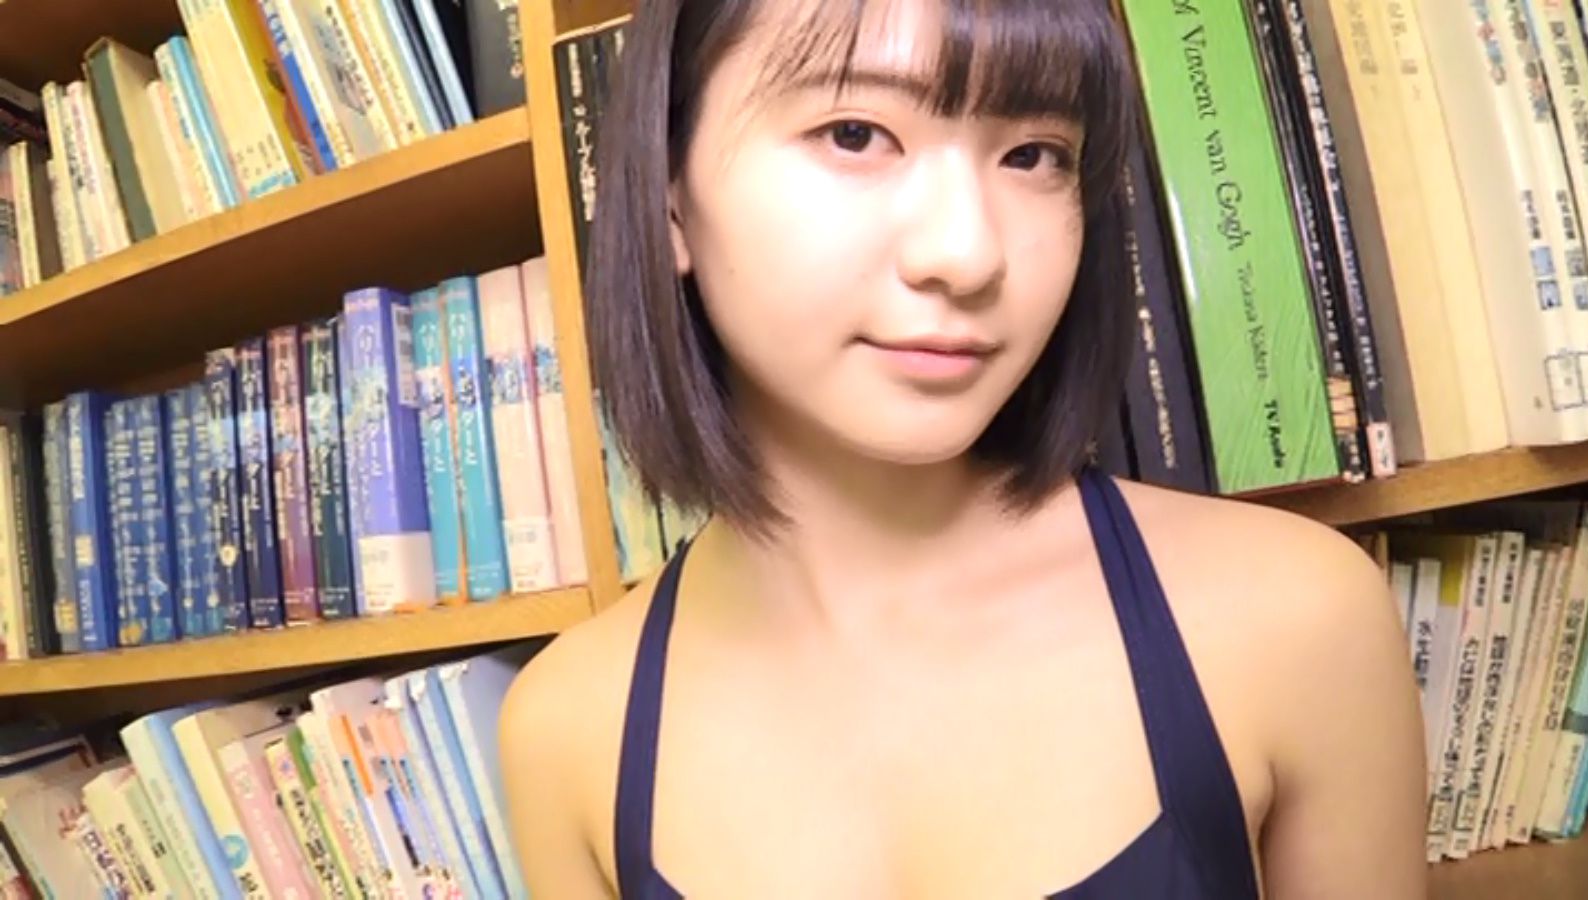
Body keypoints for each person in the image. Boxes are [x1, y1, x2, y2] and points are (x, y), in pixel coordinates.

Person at [499, 0, 1428, 896]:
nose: (968, 253)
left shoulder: (1298, 616)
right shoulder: (566, 733)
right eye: (855, 134)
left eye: (1034, 155)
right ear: (670, 199)